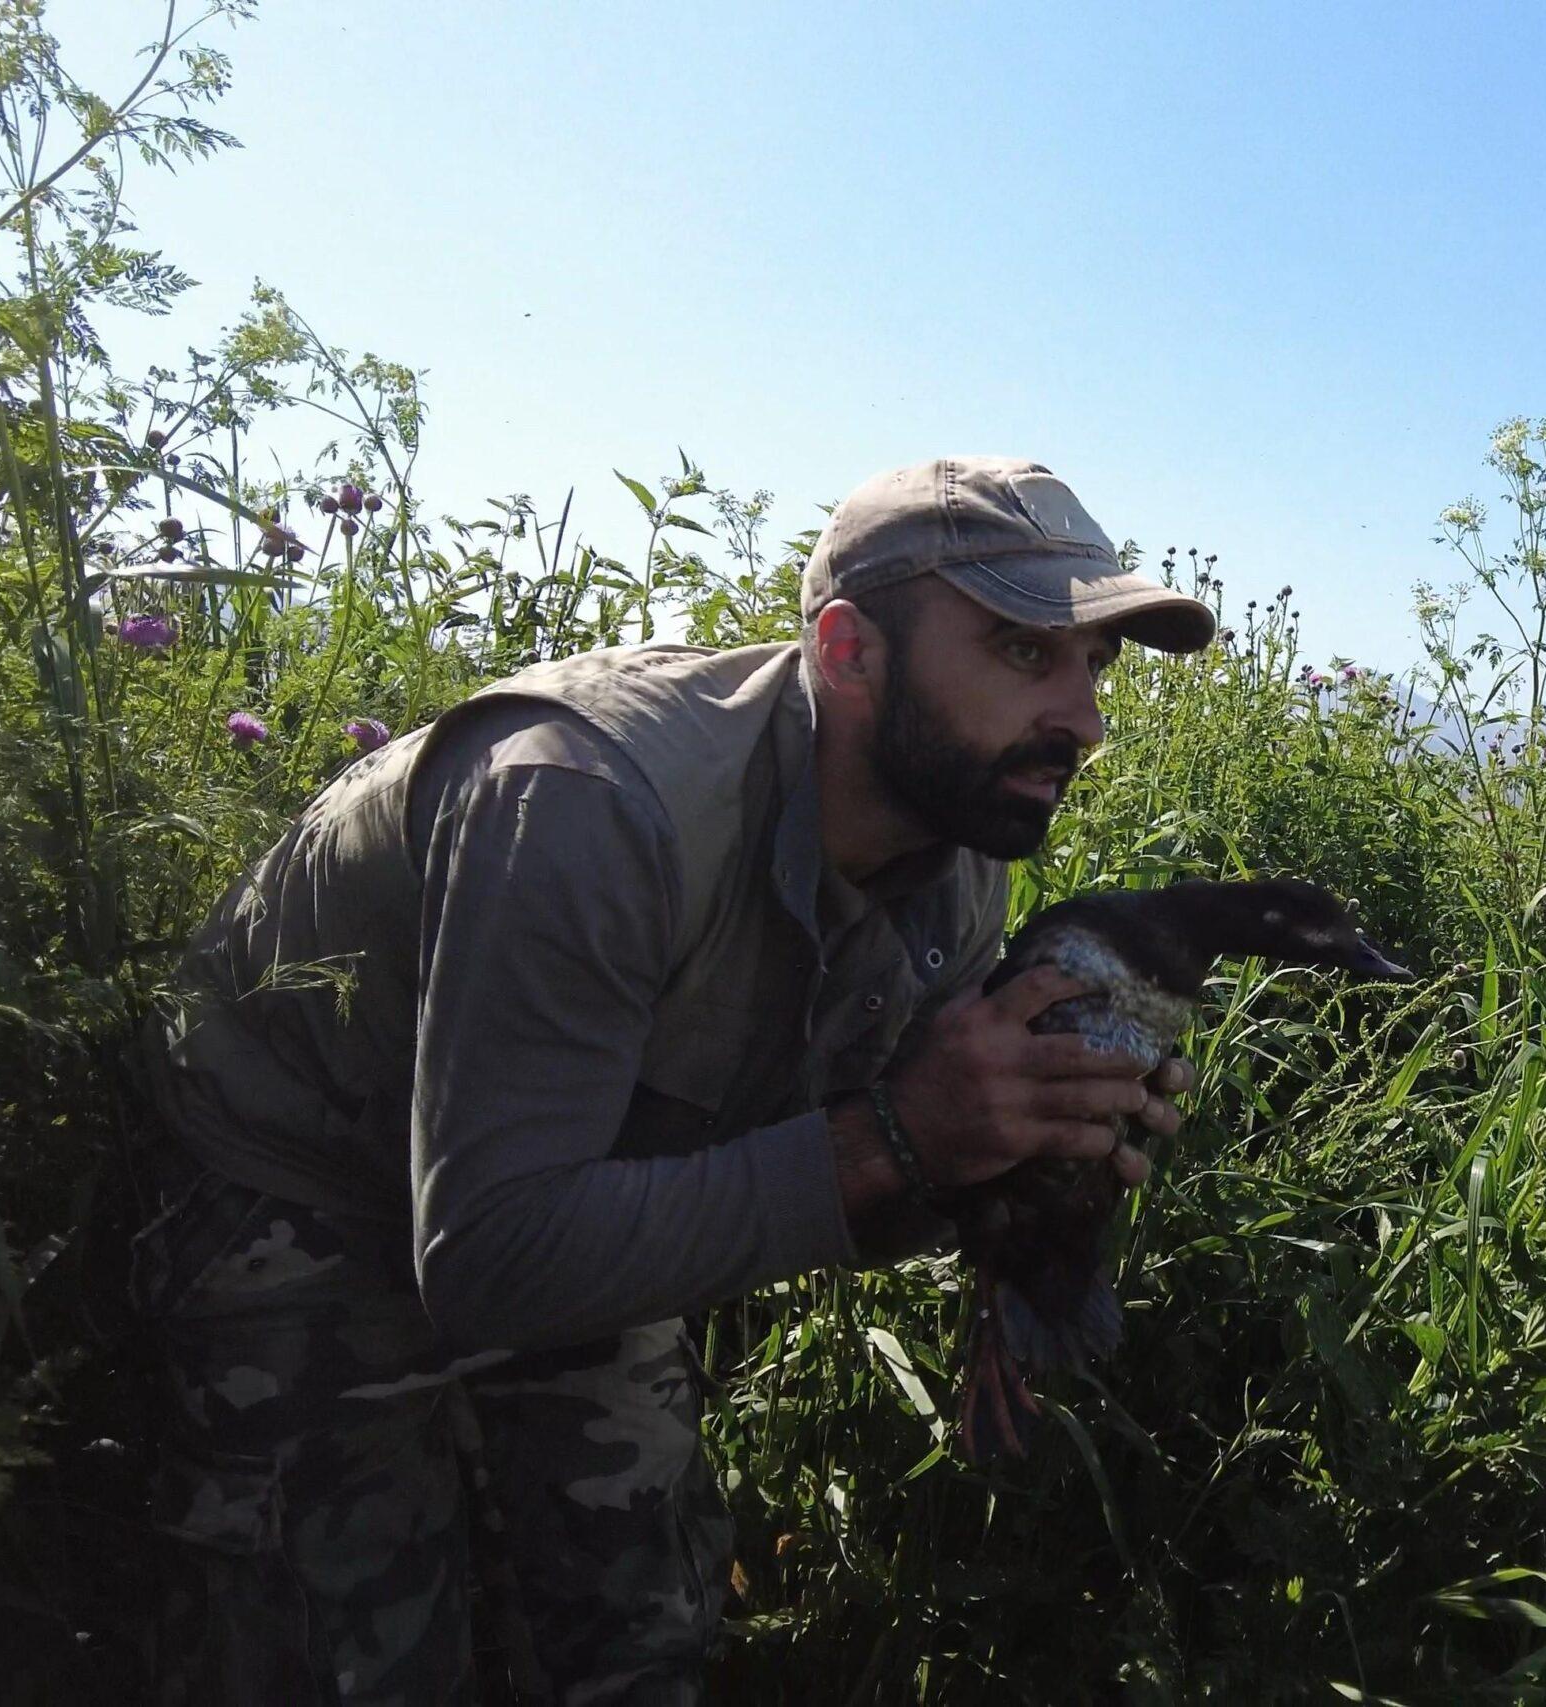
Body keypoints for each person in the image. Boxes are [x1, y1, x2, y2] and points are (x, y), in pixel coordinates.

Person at [125, 456, 1217, 1702]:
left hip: (570, 1177)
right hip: (306, 1167)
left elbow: (852, 1169)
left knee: (643, 1628)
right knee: (345, 1651)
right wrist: (901, 1139)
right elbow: (489, 1262)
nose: (1085, 720)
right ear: (849, 651)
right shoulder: (584, 801)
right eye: (1028, 655)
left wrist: (1007, 1170)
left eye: (1096, 668)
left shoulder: (954, 861)